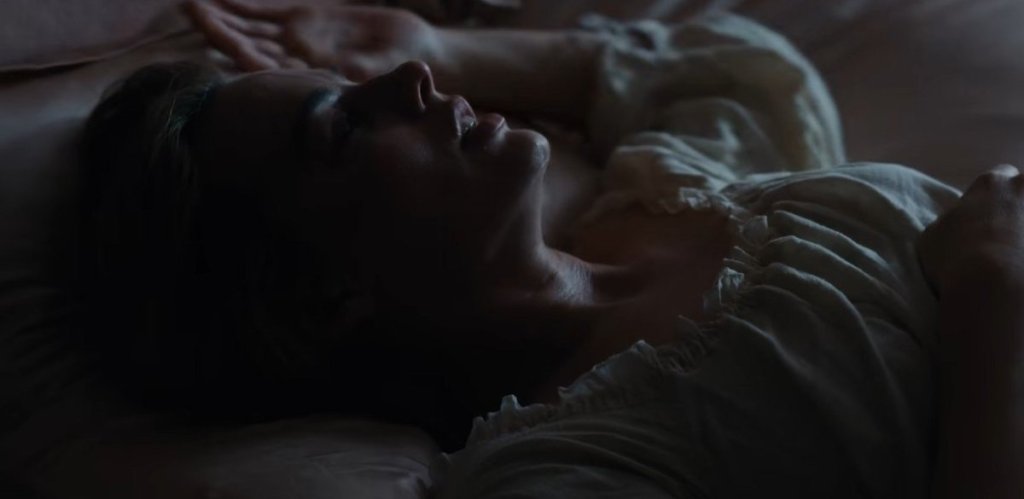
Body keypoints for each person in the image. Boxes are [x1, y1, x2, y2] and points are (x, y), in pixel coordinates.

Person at [77, 0, 1022, 496]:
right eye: (347, 126)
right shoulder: (571, 467)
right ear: (326, 292)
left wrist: (455, 47)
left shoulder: (661, 197)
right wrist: (993, 303)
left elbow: (731, 74)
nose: (408, 81)